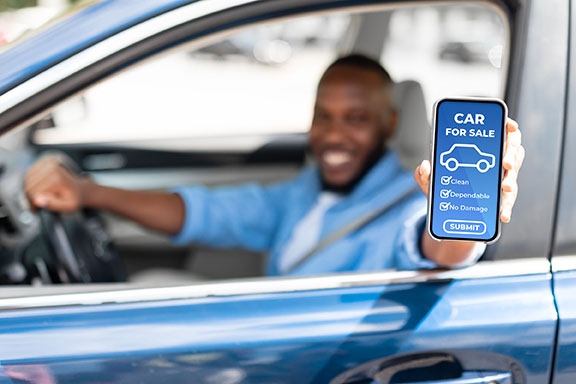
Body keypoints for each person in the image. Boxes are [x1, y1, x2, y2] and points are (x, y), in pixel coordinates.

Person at [24, 54, 525, 276]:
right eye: (322, 117)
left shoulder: (409, 200)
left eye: (355, 119)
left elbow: (438, 250)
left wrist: (465, 220)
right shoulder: (303, 190)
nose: (332, 135)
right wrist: (92, 194)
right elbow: (205, 212)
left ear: (389, 123)